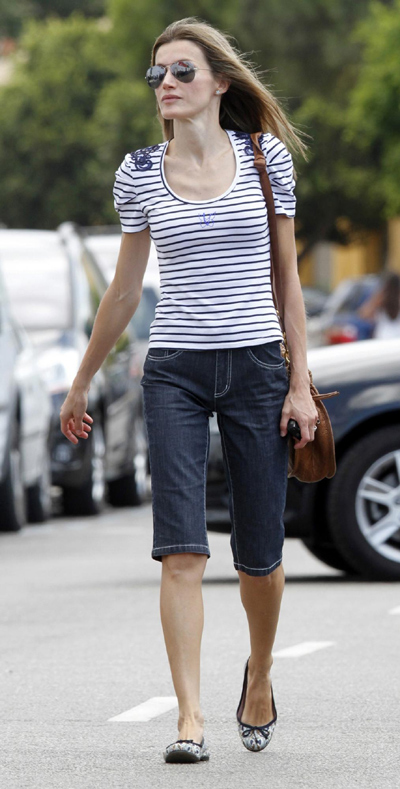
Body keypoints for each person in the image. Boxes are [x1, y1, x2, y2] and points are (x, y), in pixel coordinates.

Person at [60, 16, 318, 763]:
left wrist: (299, 384)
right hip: (173, 366)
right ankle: (190, 716)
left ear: (219, 83)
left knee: (259, 559)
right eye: (158, 74)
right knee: (180, 550)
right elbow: (123, 290)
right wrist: (81, 382)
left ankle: (260, 676)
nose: (165, 85)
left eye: (181, 72)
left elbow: (288, 280)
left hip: (257, 368)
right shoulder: (139, 172)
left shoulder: (265, 158)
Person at [358, 273, 400, 339]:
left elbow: (364, 314)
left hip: (383, 337)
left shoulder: (380, 298)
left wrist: (375, 300)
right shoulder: (382, 299)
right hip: (395, 337)